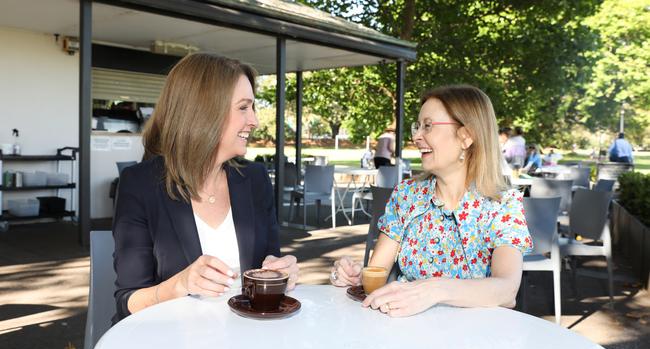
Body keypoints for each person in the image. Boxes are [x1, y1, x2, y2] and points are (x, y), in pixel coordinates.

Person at [112, 54, 299, 323]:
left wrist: (280, 272)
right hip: (167, 341)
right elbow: (128, 302)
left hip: (247, 338)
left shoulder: (255, 179)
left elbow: (268, 262)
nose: (255, 121)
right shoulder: (140, 185)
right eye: (244, 108)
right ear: (205, 112)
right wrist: (181, 284)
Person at [330, 85, 532, 317]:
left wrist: (436, 289)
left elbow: (506, 290)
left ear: (466, 136)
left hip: (476, 340)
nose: (416, 136)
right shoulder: (406, 196)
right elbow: (378, 270)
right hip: (407, 331)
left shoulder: (502, 204)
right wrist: (356, 276)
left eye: (428, 126)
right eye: (418, 126)